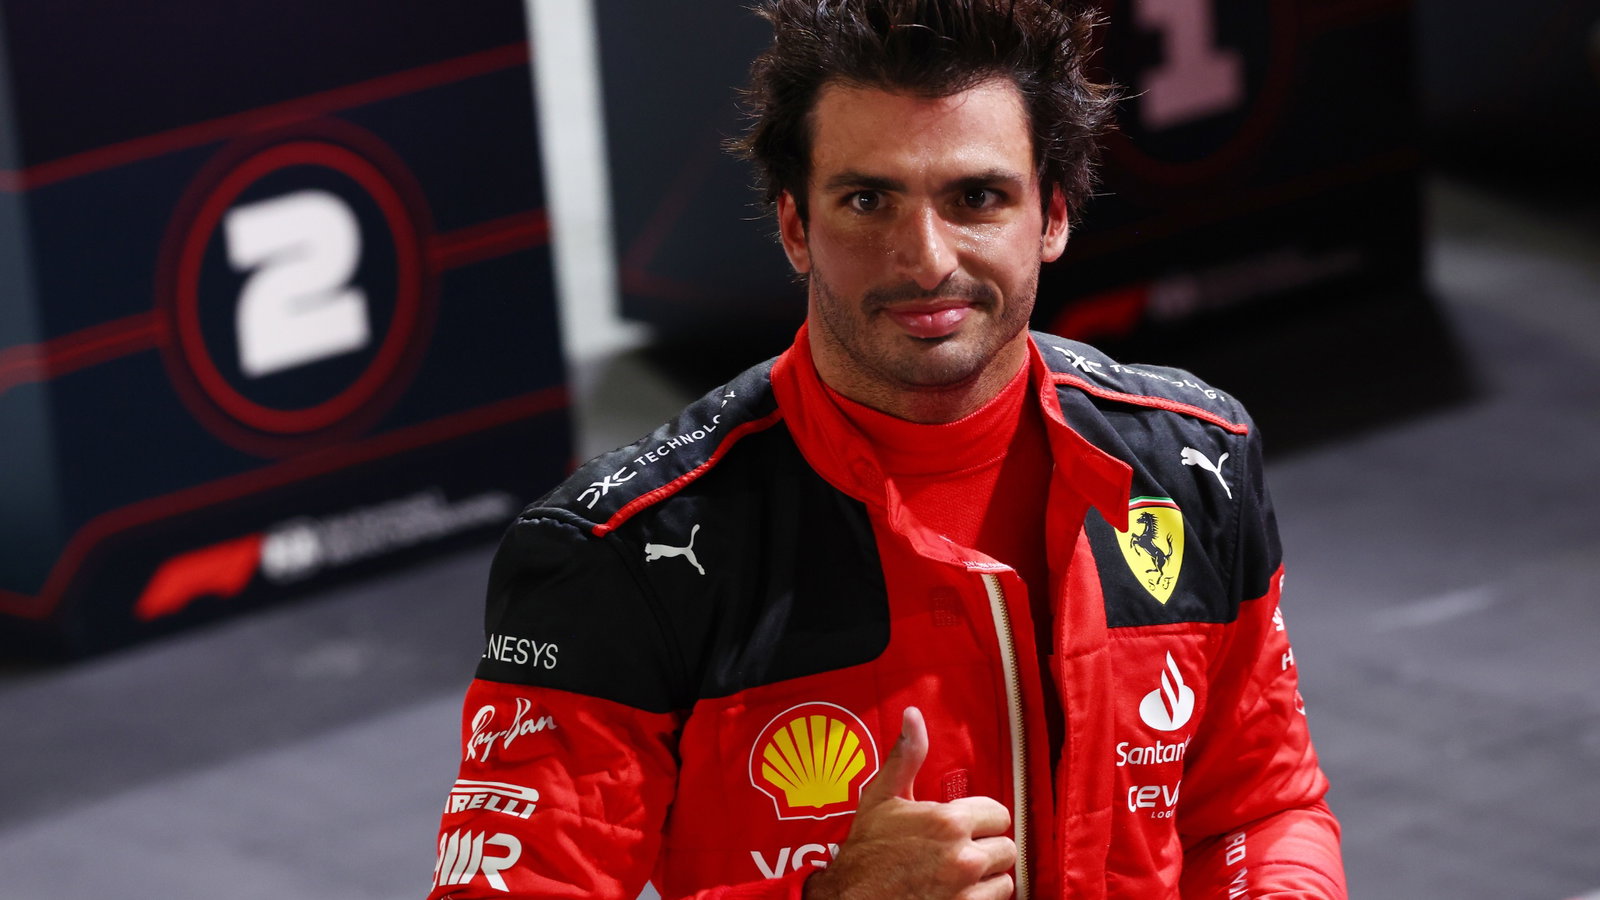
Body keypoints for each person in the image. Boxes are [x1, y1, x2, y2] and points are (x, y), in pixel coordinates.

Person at [428, 1, 1346, 897]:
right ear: (796, 228)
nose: (926, 258)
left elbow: (1256, 810)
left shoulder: (1194, 459)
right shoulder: (616, 557)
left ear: (1054, 215)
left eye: (976, 197)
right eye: (868, 200)